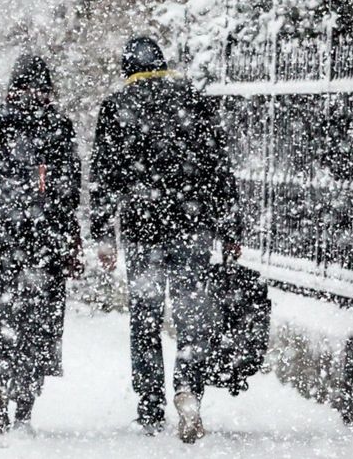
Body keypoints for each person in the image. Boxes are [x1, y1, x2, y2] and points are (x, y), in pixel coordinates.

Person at [89, 36, 242, 443]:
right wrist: (229, 229)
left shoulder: (116, 107)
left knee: (145, 319)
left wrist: (104, 234)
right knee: (192, 317)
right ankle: (188, 389)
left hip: (143, 232)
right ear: (163, 63)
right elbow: (218, 168)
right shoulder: (193, 100)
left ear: (128, 69)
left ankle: (150, 405)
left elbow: (104, 176)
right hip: (192, 229)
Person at [0, 54, 83, 434]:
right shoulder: (59, 127)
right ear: (48, 88)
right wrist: (55, 229)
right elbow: (69, 191)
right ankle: (26, 401)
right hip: (42, 247)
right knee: (37, 321)